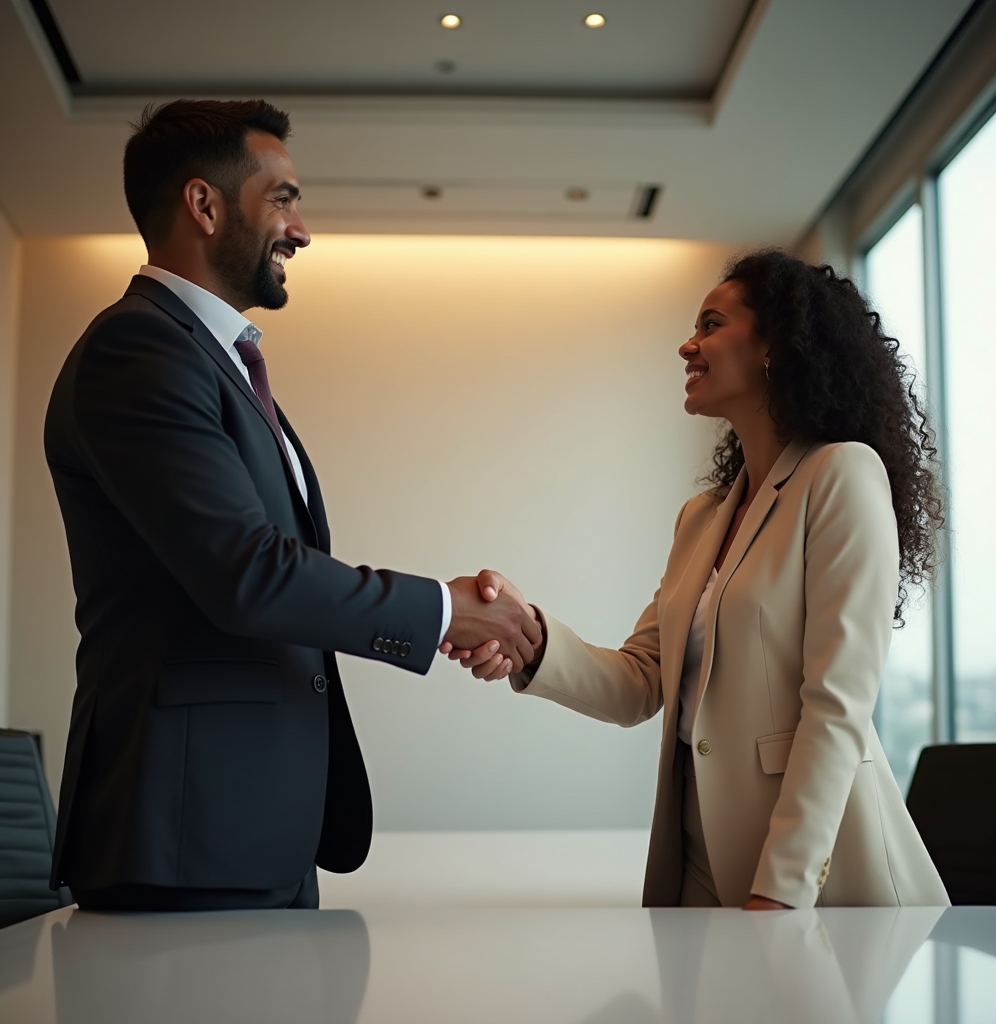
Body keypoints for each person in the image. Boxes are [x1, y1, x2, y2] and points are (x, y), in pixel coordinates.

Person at [44, 99, 541, 912]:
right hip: (185, 833)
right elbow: (250, 575)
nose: (302, 229)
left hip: (248, 825)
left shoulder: (212, 359)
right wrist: (442, 612)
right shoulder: (137, 350)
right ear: (204, 206)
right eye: (282, 198)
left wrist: (450, 614)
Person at [445, 251, 950, 909]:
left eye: (711, 324)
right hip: (695, 851)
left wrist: (782, 888)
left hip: (816, 870)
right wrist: (529, 637)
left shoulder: (841, 476)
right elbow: (641, 681)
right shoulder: (702, 518)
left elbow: (836, 705)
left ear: (775, 345)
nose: (689, 344)